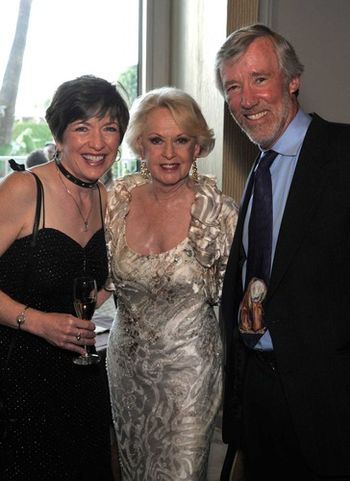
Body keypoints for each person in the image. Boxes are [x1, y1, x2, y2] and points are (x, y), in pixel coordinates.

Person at [215, 23, 350, 481]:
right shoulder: (258, 170)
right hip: (260, 399)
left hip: (330, 407)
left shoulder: (342, 155)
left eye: (259, 79)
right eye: (233, 86)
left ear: (293, 80)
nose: (246, 100)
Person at [104, 86, 238, 481]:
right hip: (125, 369)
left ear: (197, 148)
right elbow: (102, 278)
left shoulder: (219, 214)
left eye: (181, 140)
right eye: (157, 140)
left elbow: (241, 301)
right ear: (140, 146)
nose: (168, 153)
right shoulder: (116, 200)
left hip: (189, 375)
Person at [0, 74, 129, 480]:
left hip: (81, 378)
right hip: (16, 379)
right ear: (59, 135)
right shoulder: (24, 190)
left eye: (109, 128)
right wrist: (36, 321)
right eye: (82, 127)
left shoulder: (110, 201)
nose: (97, 142)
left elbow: (101, 284)